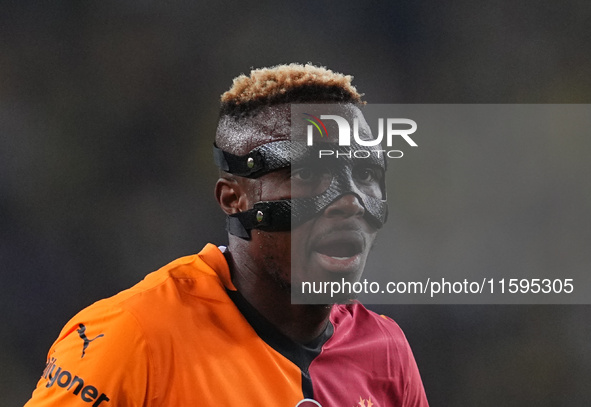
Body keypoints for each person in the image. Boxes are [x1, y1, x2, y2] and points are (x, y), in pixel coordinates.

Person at [25, 63, 428, 406]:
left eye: (365, 175)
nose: (350, 201)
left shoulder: (386, 352)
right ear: (234, 198)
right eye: (307, 173)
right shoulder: (133, 335)